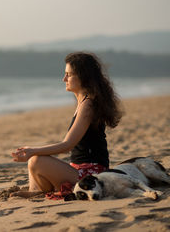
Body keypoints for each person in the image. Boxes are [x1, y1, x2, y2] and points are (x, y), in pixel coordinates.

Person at [11, 51, 123, 199]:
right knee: (36, 159)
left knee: (36, 159)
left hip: (92, 175)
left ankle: (37, 191)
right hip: (77, 169)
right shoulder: (83, 102)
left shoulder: (88, 105)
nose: (64, 79)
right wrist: (33, 151)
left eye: (68, 75)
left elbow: (68, 145)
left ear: (83, 77)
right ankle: (37, 190)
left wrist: (33, 151)